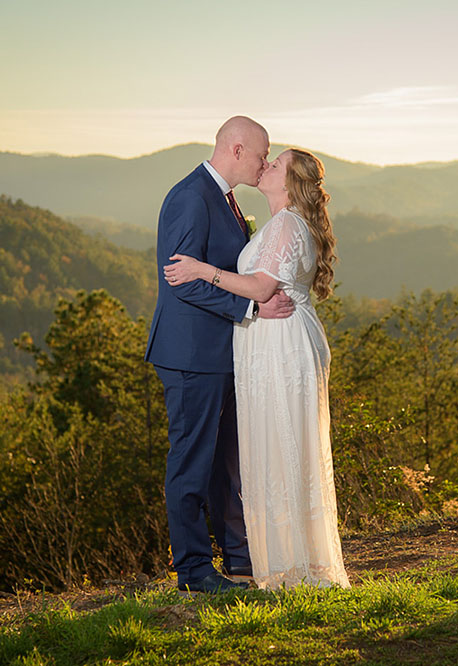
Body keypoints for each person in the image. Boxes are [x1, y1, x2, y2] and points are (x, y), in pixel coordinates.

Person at [164, 148, 350, 589]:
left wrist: (200, 269)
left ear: (289, 183)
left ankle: (289, 565)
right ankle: (285, 559)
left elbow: (262, 286)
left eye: (275, 162)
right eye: (265, 156)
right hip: (275, 340)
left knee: (280, 443)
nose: (266, 165)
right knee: (280, 445)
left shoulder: (286, 224)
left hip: (280, 344)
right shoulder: (282, 222)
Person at [145, 116, 294, 594]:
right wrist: (252, 305)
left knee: (225, 464)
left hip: (222, 354)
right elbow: (181, 280)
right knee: (191, 465)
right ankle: (192, 571)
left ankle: (239, 558)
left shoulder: (226, 198)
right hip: (190, 356)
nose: (264, 162)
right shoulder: (190, 197)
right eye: (260, 153)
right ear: (235, 149)